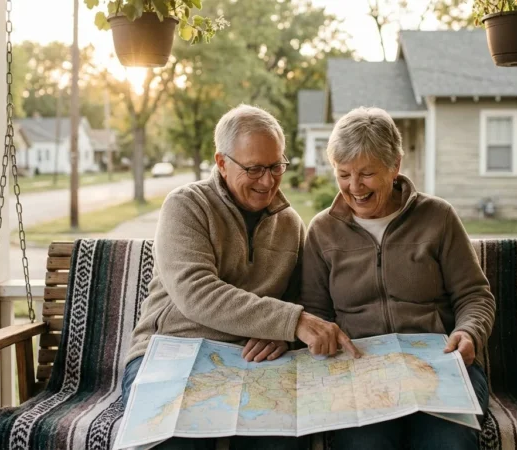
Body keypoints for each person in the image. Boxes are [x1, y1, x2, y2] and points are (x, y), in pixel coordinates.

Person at [123, 104, 359, 450]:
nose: (268, 181)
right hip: (172, 352)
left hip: (253, 361)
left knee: (283, 441)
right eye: (254, 169)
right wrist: (288, 323)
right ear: (221, 163)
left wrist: (281, 336)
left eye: (276, 166)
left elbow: (295, 299)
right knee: (177, 442)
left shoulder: (291, 224)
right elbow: (196, 293)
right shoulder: (185, 206)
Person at [299, 107, 496, 450]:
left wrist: (469, 332)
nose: (354, 187)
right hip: (360, 371)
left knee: (447, 445)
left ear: (395, 167)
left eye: (366, 174)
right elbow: (315, 310)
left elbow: (475, 295)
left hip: (439, 367)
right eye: (343, 174)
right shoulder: (322, 231)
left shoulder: (438, 217)